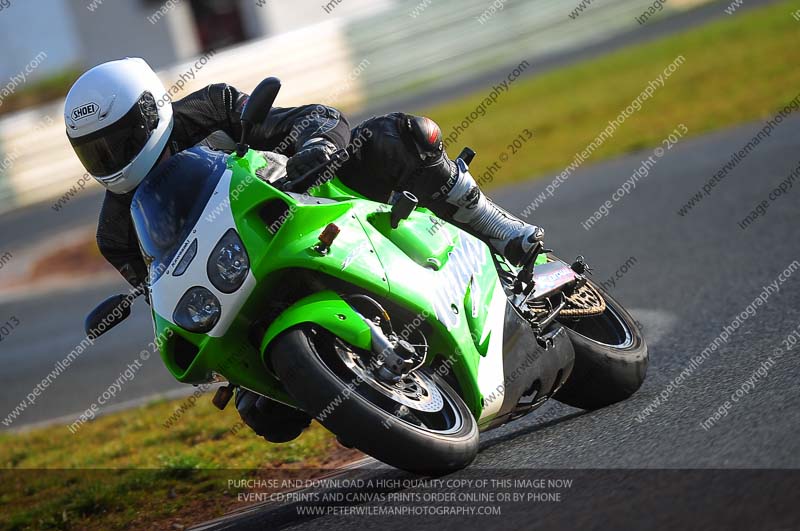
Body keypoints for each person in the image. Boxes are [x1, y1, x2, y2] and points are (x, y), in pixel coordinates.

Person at [65, 57, 544, 442]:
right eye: (96, 152)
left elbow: (315, 118)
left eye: (119, 141)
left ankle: (495, 226)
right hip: (240, 277)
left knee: (397, 138)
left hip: (307, 199)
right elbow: (163, 292)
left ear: (151, 111)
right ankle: (366, 395)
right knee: (266, 416)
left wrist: (316, 144)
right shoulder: (116, 234)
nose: (112, 159)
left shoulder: (210, 110)